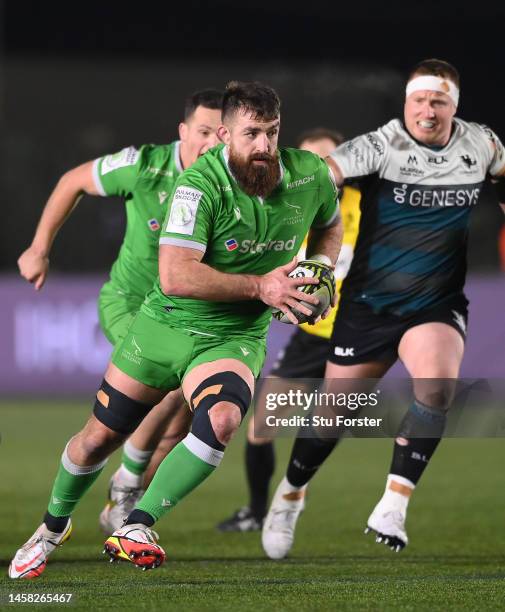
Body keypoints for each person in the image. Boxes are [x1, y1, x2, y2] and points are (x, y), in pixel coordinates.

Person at [9, 80, 342, 577]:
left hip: (234, 336)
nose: (265, 147)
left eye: (273, 133)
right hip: (164, 325)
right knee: (97, 438)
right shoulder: (195, 185)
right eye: (252, 134)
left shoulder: (309, 174)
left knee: (223, 419)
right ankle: (52, 528)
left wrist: (319, 269)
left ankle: (136, 522)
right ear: (225, 135)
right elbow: (176, 276)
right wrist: (263, 288)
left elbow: (330, 225)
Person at [262, 58, 505, 559]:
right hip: (369, 305)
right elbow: (323, 177)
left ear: (454, 107)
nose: (427, 110)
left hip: (435, 303)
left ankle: (393, 504)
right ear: (406, 104)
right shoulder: (380, 145)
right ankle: (289, 495)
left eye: (438, 101)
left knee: (437, 388)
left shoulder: (482, 144)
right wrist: (290, 243)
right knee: (332, 415)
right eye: (419, 100)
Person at [11, 89, 222, 578]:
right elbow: (72, 181)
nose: (213, 142)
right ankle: (124, 488)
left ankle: (126, 497)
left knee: (185, 419)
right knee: (170, 384)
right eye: (204, 131)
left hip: (191, 316)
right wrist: (40, 247)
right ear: (183, 131)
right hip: (133, 305)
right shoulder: (144, 167)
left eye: (222, 133)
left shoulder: (232, 180)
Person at [217, 128, 361, 532]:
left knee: (326, 427)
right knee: (261, 427)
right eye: (313, 158)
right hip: (311, 338)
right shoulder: (288, 205)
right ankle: (258, 510)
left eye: (331, 159)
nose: (323, 167)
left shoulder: (367, 208)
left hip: (357, 335)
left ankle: (293, 496)